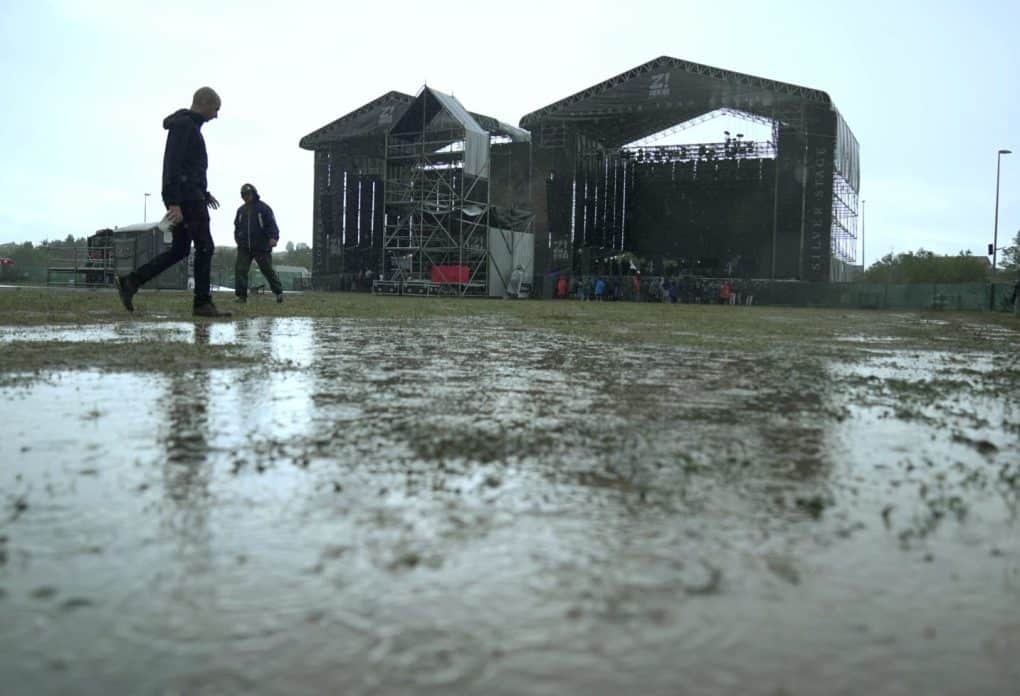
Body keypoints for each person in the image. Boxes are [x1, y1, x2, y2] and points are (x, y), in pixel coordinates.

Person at [116, 87, 230, 317]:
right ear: (204, 103)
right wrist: (174, 202)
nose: (217, 115)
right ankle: (202, 303)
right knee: (205, 247)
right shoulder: (185, 126)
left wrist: (204, 193)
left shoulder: (189, 127)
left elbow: (188, 167)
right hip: (187, 200)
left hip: (192, 196)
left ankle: (131, 282)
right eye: (215, 109)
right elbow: (172, 165)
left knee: (179, 250)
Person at [233, 183, 283, 303]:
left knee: (267, 269)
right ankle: (241, 296)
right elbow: (237, 227)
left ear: (254, 194)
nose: (246, 197)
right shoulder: (241, 210)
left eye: (248, 194)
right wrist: (238, 239)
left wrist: (273, 238)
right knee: (240, 269)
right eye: (243, 195)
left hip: (261, 246)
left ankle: (278, 292)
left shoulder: (264, 208)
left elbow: (272, 225)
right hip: (244, 246)